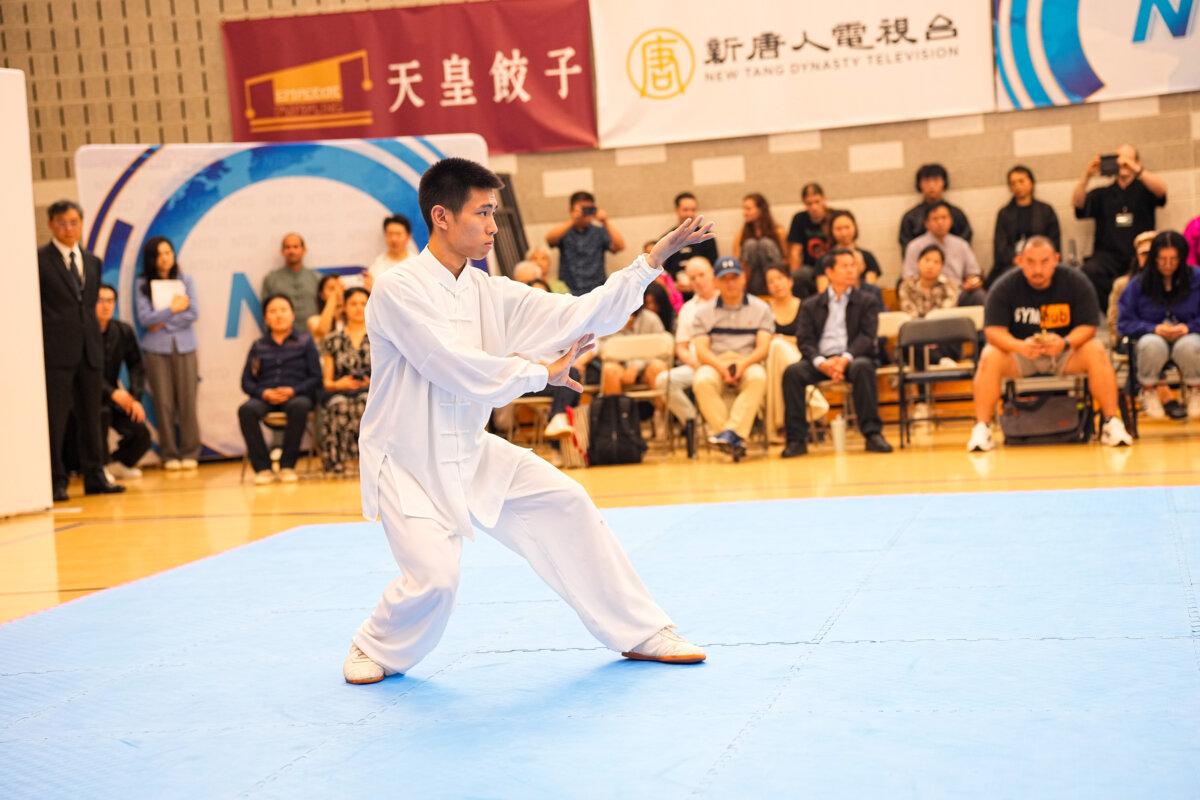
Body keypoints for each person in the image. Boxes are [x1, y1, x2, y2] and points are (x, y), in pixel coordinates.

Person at [343, 157, 712, 686]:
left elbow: (581, 314)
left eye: (496, 213)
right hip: (406, 461)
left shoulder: (490, 292)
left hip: (469, 451)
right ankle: (374, 643)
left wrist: (650, 262)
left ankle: (640, 631)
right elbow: (451, 366)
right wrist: (540, 372)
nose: (494, 226)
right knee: (435, 582)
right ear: (442, 217)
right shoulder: (397, 289)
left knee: (566, 502)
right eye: (484, 212)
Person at [967, 236, 1132, 452]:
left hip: (1064, 353)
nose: (1038, 269)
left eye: (1044, 261)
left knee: (1096, 350)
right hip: (1022, 355)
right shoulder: (1004, 286)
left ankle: (1111, 422)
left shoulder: (1075, 281)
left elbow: (1088, 327)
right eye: (1031, 262)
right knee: (989, 355)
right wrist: (1019, 346)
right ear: (1020, 261)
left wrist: (1065, 343)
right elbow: (992, 331)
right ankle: (982, 428)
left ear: (1056, 259)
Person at [38, 200, 124, 501]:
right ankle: (55, 480)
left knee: (91, 418)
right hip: (57, 353)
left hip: (90, 350)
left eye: (74, 222)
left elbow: (87, 308)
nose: (68, 228)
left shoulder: (92, 262)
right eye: (62, 223)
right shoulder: (39, 260)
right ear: (51, 224)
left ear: (81, 223)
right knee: (57, 419)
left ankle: (95, 475)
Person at [781, 249, 893, 457]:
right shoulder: (810, 304)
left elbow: (868, 337)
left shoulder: (867, 301)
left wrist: (844, 359)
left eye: (853, 265)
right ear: (830, 272)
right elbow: (804, 340)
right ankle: (796, 440)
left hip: (852, 358)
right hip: (820, 361)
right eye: (845, 266)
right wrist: (821, 362)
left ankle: (872, 434)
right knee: (792, 373)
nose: (851, 270)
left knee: (863, 367)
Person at [691, 256, 773, 461]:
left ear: (743, 278)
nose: (730, 283)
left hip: (748, 360)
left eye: (734, 277)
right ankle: (732, 437)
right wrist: (721, 367)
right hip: (715, 361)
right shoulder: (702, 313)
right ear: (716, 282)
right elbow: (701, 351)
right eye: (724, 278)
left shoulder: (761, 308)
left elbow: (763, 348)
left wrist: (743, 364)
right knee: (702, 380)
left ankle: (729, 434)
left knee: (758, 377)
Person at [238, 294, 322, 484]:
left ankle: (287, 466)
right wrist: (263, 393)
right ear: (266, 318)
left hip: (295, 395)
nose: (278, 315)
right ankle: (263, 468)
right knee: (246, 410)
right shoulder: (258, 346)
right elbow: (246, 382)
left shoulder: (305, 342)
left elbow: (316, 377)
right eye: (273, 311)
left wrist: (293, 390)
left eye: (283, 310)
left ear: (292, 314)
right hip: (266, 397)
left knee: (300, 406)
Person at [1073, 144, 1168, 312]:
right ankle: (1113, 310)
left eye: (1128, 160)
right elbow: (1078, 204)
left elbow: (1161, 191)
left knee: (1152, 269)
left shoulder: (1145, 188)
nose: (1123, 165)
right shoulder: (1103, 193)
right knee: (1089, 271)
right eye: (1119, 160)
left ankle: (1139, 312)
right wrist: (1086, 176)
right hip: (1108, 255)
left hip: (1138, 254)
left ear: (1137, 162)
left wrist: (1136, 169)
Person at [134, 235, 201, 471]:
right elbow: (145, 318)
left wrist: (164, 321)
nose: (165, 258)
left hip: (185, 346)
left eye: (168, 253)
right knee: (163, 402)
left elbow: (193, 312)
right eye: (160, 254)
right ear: (152, 258)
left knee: (187, 400)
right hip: (156, 349)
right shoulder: (143, 284)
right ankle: (169, 452)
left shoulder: (185, 280)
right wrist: (172, 309)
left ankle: (190, 450)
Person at [1117, 231, 1200, 420]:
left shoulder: (1197, 278)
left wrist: (1189, 327)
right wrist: (1153, 328)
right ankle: (1147, 390)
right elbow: (1124, 323)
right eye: (1162, 259)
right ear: (1154, 259)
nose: (1168, 265)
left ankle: (1196, 389)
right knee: (1151, 344)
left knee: (1190, 345)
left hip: (1188, 337)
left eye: (1173, 259)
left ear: (1182, 257)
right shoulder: (1138, 284)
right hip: (1151, 339)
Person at [654, 256, 718, 455]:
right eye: (692, 277)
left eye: (701, 275)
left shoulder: (728, 300)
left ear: (712, 274)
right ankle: (695, 423)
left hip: (724, 363)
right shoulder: (687, 310)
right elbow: (680, 347)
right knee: (664, 380)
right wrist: (695, 364)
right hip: (695, 365)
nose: (698, 280)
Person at [95, 283, 152, 480]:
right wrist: (111, 392)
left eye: (110, 301)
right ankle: (99, 468)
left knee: (141, 433)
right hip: (89, 397)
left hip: (115, 397)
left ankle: (116, 464)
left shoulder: (123, 331)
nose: (105, 306)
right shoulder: (84, 333)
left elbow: (136, 365)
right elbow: (84, 373)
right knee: (99, 415)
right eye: (100, 300)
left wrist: (134, 398)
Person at [320, 287, 371, 474]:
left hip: (372, 390)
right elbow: (327, 381)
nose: (358, 308)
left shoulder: (380, 335)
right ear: (344, 308)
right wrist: (338, 384)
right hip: (340, 390)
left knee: (364, 403)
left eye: (363, 303)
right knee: (339, 405)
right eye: (353, 303)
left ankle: (366, 461)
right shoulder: (332, 339)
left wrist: (370, 383)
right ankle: (339, 462)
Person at [990, 166, 1061, 287]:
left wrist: (1038, 260)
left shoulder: (1046, 210)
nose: (1017, 186)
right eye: (1013, 183)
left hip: (1041, 261)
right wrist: (1021, 261)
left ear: (1031, 183)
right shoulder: (1004, 213)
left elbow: (1054, 242)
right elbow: (1000, 248)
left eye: (1021, 181)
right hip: (1012, 264)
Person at [902, 202, 984, 305]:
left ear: (951, 221)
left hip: (958, 292)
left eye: (944, 218)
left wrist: (973, 281)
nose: (940, 222)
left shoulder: (961, 245)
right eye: (935, 219)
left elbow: (974, 273)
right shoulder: (915, 246)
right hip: (926, 294)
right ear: (926, 223)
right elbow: (909, 277)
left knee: (978, 295)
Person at [545, 190, 626, 295]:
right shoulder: (564, 231)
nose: (585, 213)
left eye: (589, 209)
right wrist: (573, 220)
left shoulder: (599, 231)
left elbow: (620, 246)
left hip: (596, 290)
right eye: (582, 209)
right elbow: (549, 240)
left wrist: (605, 221)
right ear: (571, 210)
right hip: (567, 291)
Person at [898, 163, 973, 255]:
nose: (931, 185)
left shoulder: (956, 214)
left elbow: (965, 243)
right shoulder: (910, 217)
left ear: (944, 182)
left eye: (936, 180)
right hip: (923, 267)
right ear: (919, 184)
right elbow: (907, 249)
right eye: (926, 181)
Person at [599, 303, 667, 396]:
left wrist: (637, 366)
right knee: (609, 370)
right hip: (621, 365)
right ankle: (616, 409)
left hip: (647, 366)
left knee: (658, 367)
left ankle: (660, 410)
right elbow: (603, 347)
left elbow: (661, 349)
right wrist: (620, 328)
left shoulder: (651, 319)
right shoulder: (609, 320)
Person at [787, 183, 843, 295]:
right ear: (804, 203)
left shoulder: (836, 216)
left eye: (817, 202)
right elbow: (795, 251)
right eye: (809, 204)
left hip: (834, 266)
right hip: (810, 269)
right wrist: (792, 276)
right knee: (799, 276)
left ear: (824, 199)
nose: (814, 207)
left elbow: (845, 243)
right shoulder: (799, 219)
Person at [261, 232, 321, 334]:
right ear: (282, 251)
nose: (291, 251)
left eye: (296, 247)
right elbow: (266, 312)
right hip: (282, 339)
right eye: (287, 247)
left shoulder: (316, 278)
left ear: (304, 250)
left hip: (314, 336)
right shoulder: (271, 279)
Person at [732, 193, 787, 296]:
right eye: (744, 209)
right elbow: (737, 263)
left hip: (773, 279)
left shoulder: (778, 231)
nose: (744, 213)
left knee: (765, 243)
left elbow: (785, 259)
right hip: (752, 280)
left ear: (760, 210)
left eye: (748, 209)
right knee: (750, 244)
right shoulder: (740, 235)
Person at [1107, 230, 1156, 344]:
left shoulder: (1172, 283)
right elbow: (1114, 320)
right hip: (1132, 339)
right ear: (1137, 256)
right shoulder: (1123, 284)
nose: (1149, 259)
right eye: (1144, 254)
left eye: (1152, 254)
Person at [661, 192, 718, 279]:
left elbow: (713, 267)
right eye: (685, 210)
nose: (690, 214)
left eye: (693, 210)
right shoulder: (667, 238)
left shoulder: (707, 237)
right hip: (674, 290)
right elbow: (663, 271)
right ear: (677, 210)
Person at [899, 245, 960, 319]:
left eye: (936, 262)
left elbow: (946, 312)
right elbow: (908, 310)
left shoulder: (950, 285)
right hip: (915, 327)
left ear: (942, 266)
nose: (930, 266)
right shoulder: (907, 286)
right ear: (918, 263)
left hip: (941, 326)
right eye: (927, 260)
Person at [366, 214, 415, 287]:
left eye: (398, 234)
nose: (394, 239)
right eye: (390, 234)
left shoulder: (415, 263)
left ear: (408, 236)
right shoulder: (378, 263)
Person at [307, 274, 344, 344]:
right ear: (322, 295)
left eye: (341, 288)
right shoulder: (314, 320)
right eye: (332, 288)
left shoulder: (353, 319)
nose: (339, 292)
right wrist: (334, 296)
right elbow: (323, 331)